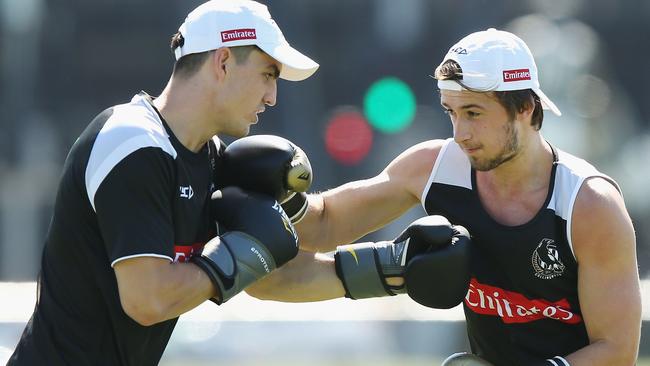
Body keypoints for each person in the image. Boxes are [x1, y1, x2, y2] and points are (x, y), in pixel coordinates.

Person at [245, 28, 642, 366]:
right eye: (451, 112)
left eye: (473, 113)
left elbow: (618, 350)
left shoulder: (589, 206)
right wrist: (277, 193)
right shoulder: (434, 167)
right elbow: (326, 224)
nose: (459, 133)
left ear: (524, 107)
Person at [8, 1, 318, 365]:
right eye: (268, 74)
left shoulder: (209, 157)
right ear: (222, 62)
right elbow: (148, 300)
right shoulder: (132, 142)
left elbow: (319, 226)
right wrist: (239, 255)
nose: (272, 96)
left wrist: (388, 264)